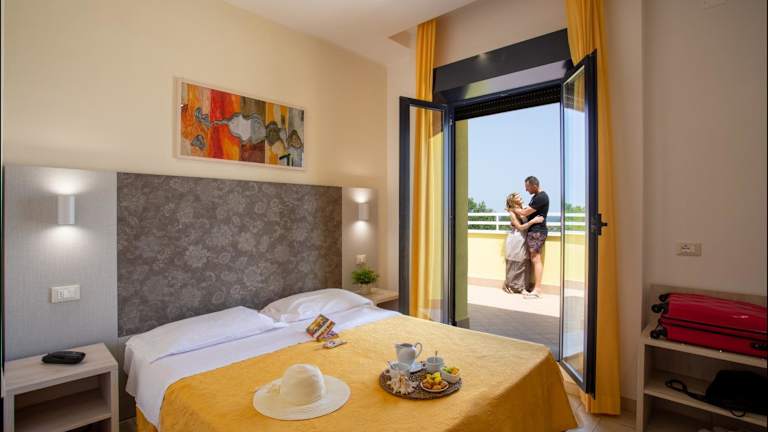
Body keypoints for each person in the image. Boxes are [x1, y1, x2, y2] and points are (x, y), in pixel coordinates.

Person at [512, 176, 549, 298]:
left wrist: (512, 208)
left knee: (536, 258)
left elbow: (525, 212)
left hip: (537, 231)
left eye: (527, 187)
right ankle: (536, 289)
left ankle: (537, 290)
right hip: (534, 231)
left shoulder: (541, 197)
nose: (526, 190)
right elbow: (526, 214)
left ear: (534, 185)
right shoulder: (535, 197)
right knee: (534, 258)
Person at [503, 192, 544, 294]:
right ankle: (514, 286)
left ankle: (523, 286)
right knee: (517, 261)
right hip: (516, 238)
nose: (520, 197)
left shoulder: (523, 209)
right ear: (512, 200)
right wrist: (533, 221)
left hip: (524, 237)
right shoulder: (512, 212)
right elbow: (520, 227)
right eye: (517, 197)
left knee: (525, 261)